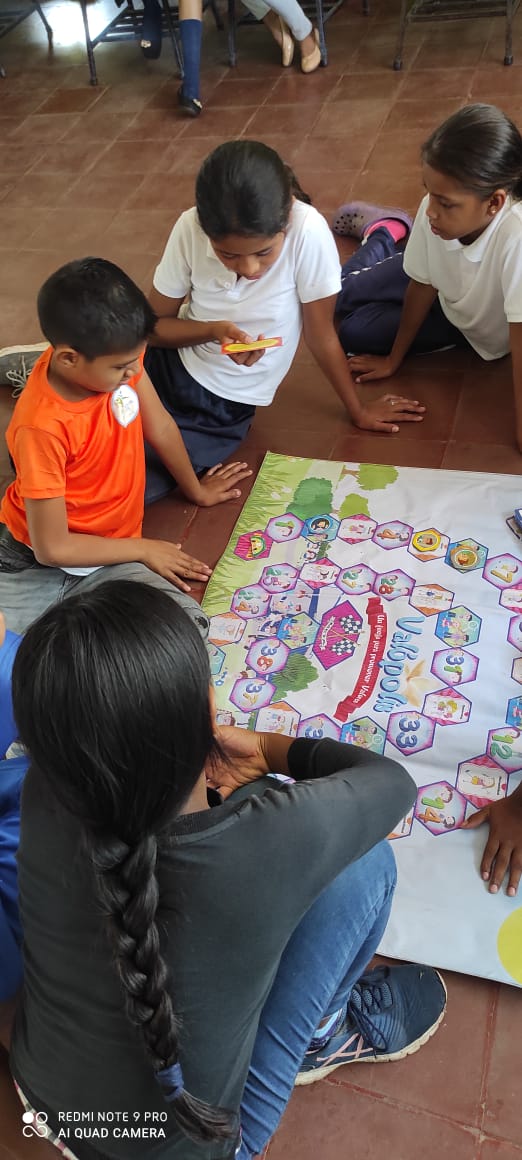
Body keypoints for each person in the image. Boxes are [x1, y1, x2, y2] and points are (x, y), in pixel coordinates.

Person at [8, 579, 446, 1160]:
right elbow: (392, 785)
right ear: (207, 718)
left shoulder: (41, 792)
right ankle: (321, 1035)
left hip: (43, 1116)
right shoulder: (266, 843)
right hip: (204, 1141)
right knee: (365, 866)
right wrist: (267, 749)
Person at [143, 139, 425, 501]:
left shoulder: (306, 232)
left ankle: (382, 233)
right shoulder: (189, 227)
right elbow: (152, 329)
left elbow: (321, 335)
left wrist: (357, 409)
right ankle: (382, 233)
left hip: (219, 408)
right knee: (93, 442)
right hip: (163, 368)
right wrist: (212, 331)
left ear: (286, 219)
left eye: (264, 252)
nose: (248, 268)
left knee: (132, 478)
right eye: (227, 254)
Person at [0, 258, 251, 636]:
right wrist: (144, 549)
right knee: (24, 668)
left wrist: (195, 489)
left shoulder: (122, 361)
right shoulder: (41, 428)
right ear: (69, 359)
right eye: (121, 367)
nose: (134, 373)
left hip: (110, 557)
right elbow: (51, 548)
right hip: (34, 566)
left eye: (137, 359)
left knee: (187, 631)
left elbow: (161, 426)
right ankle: (24, 365)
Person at [332, 104, 522, 452]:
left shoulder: (517, 236)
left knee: (352, 331)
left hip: (460, 318)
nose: (430, 209)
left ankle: (387, 236)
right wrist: (394, 358)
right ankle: (383, 231)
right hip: (439, 278)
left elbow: (520, 336)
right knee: (339, 293)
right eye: (429, 193)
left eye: (446, 203)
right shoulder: (433, 215)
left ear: (494, 203)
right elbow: (422, 283)